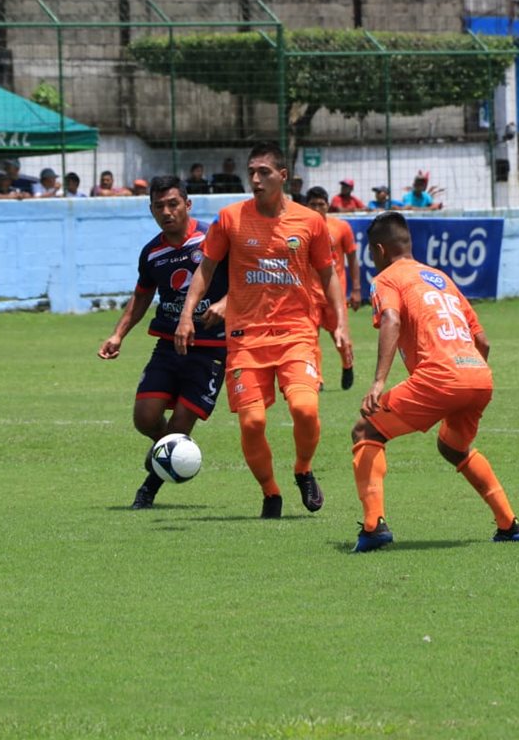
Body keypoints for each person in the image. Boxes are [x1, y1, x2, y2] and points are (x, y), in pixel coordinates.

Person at [174, 141, 351, 518]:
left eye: (263, 172)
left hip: (296, 332)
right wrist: (187, 315)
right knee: (253, 423)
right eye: (251, 172)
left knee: (305, 409)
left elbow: (329, 275)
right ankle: (270, 492)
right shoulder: (230, 218)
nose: (254, 179)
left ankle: (303, 469)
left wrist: (341, 326)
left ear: (282, 176)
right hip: (245, 336)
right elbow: (205, 270)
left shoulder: (310, 221)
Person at [348, 211, 519, 552]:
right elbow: (484, 342)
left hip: (440, 376)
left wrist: (377, 383)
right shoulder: (441, 278)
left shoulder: (388, 278)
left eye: (372, 253)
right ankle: (509, 524)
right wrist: (464, 380)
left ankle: (373, 527)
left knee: (365, 430)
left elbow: (390, 319)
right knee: (453, 447)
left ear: (381, 251)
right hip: (478, 375)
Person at [98, 175, 229, 509]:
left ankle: (148, 489)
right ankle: (171, 450)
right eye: (159, 206)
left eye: (173, 204)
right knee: (145, 417)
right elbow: (141, 297)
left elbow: (243, 280)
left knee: (182, 421)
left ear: (188, 204)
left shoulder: (213, 239)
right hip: (169, 344)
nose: (167, 212)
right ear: (151, 210)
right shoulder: (152, 253)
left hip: (211, 348)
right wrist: (118, 334)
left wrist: (225, 304)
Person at [305, 186, 360, 390]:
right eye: (313, 204)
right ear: (306, 206)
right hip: (309, 292)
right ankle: (316, 378)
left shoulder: (341, 227)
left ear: (328, 205)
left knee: (340, 337)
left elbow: (353, 258)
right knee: (310, 337)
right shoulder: (300, 228)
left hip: (334, 292)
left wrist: (356, 289)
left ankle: (347, 363)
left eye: (321, 204)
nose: (318, 208)